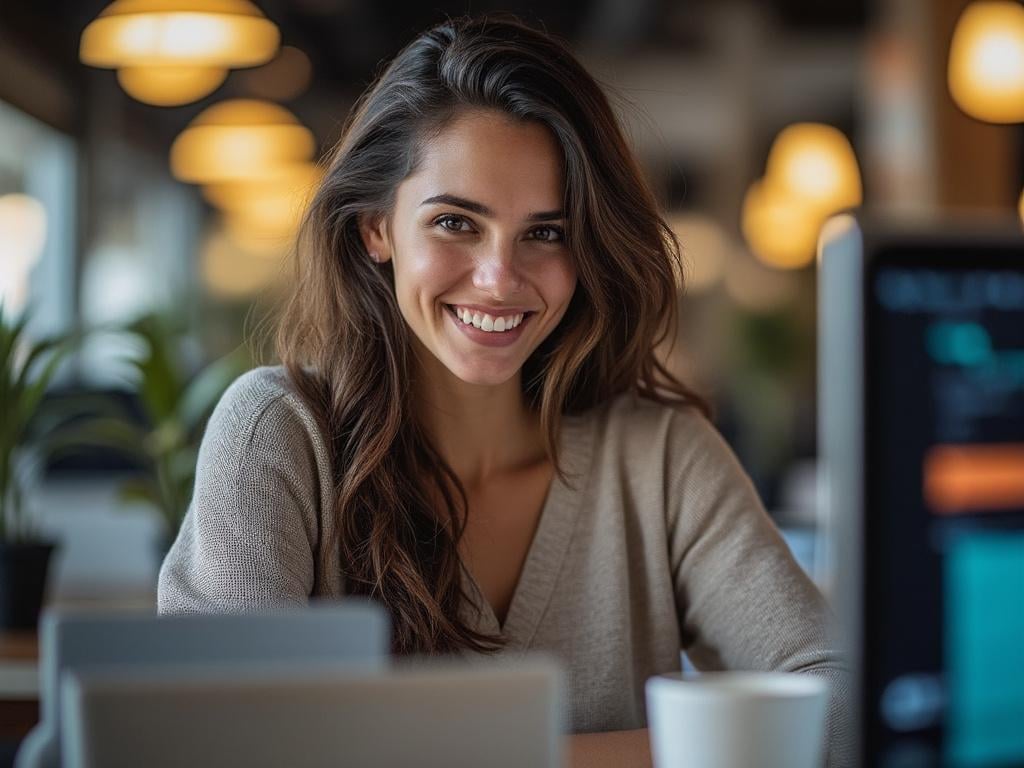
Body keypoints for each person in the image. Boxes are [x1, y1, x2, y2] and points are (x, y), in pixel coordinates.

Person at [158, 15, 851, 767]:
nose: (500, 278)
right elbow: (218, 739)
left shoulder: (659, 460)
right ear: (375, 230)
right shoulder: (280, 436)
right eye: (456, 222)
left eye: (546, 233)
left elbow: (841, 700)